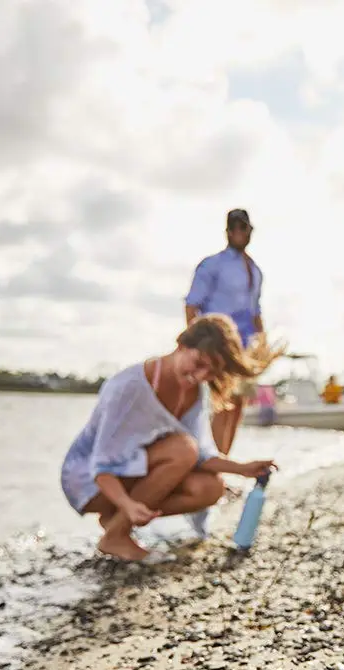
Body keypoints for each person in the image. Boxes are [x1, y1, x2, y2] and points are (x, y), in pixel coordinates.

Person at [60, 314, 278, 562]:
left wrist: (242, 468)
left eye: (211, 372)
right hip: (87, 480)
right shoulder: (129, 387)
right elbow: (102, 464)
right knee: (182, 448)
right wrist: (127, 504)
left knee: (210, 487)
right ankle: (116, 534)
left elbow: (202, 456)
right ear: (181, 345)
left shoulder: (195, 392)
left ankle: (115, 522)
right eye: (198, 363)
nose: (199, 376)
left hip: (131, 471)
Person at [184, 208, 269, 455]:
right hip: (217, 346)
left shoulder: (255, 271)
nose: (242, 232)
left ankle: (223, 463)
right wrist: (195, 348)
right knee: (222, 405)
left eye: (246, 227)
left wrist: (263, 345)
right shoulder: (212, 266)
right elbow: (192, 305)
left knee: (238, 404)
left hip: (244, 350)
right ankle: (212, 467)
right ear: (228, 232)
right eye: (237, 228)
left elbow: (256, 312)